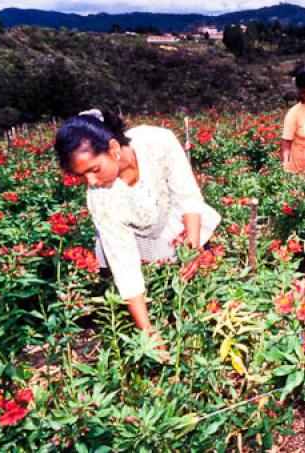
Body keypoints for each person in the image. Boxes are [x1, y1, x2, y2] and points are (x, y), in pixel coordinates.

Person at [54, 109, 221, 353]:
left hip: (173, 220)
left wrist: (192, 246)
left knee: (195, 288)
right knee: (145, 291)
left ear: (113, 149)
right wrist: (148, 333)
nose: (91, 181)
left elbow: (187, 196)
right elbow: (125, 265)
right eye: (82, 176)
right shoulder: (100, 199)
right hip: (138, 236)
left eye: (94, 169)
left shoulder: (157, 141)